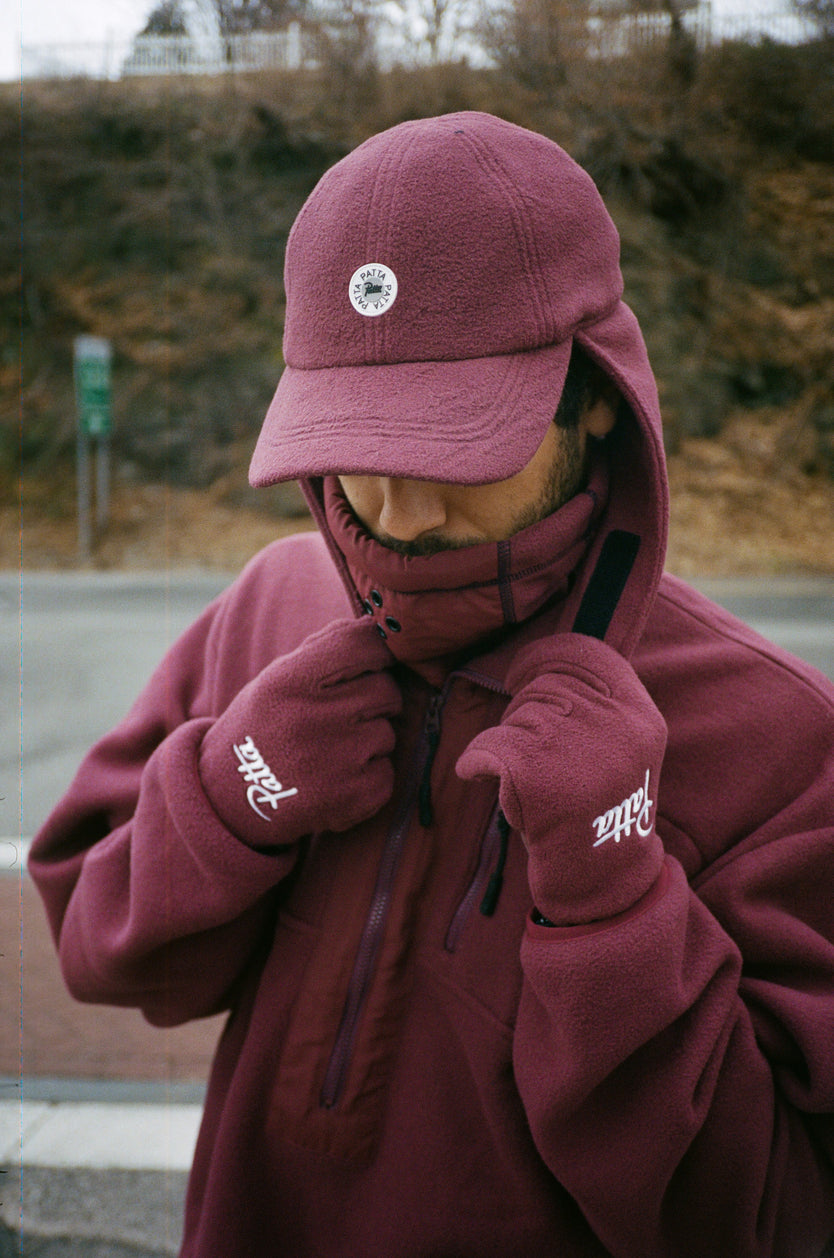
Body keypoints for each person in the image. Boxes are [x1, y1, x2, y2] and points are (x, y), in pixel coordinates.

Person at [29, 112, 834, 1257]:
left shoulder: (775, 736)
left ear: (596, 396)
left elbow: (776, 1216)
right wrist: (235, 786)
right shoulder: (270, 607)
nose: (397, 513)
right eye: (356, 444)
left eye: (456, 445)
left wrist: (614, 893)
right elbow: (103, 951)